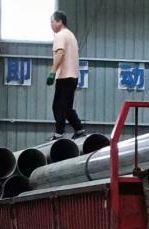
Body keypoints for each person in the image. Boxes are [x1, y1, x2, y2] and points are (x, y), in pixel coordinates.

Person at [47, 10, 85, 140]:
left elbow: (60, 53)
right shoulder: (71, 35)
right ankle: (79, 130)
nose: (51, 25)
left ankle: (59, 134)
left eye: (52, 22)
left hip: (64, 76)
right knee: (67, 108)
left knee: (58, 107)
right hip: (73, 76)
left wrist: (52, 71)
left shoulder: (60, 35)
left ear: (59, 22)